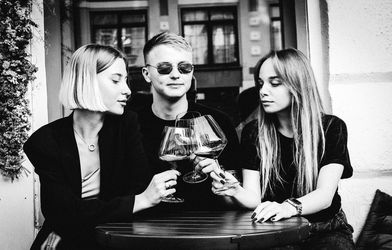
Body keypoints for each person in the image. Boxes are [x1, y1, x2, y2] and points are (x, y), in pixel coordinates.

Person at [24, 44, 179, 249]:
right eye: (116, 80)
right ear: (86, 81)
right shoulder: (45, 141)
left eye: (125, 80)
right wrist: (138, 201)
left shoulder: (126, 125)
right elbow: (60, 212)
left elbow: (141, 185)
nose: (127, 90)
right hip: (64, 241)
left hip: (112, 236)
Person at [211, 48, 355, 249]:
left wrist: (289, 207)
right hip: (274, 231)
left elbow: (324, 196)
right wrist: (235, 190)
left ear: (298, 85)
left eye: (275, 83)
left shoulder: (331, 128)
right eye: (261, 83)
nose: (262, 91)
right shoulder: (254, 132)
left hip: (326, 230)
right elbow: (254, 197)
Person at [128, 32, 241, 211]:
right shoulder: (130, 125)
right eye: (164, 68)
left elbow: (235, 196)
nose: (175, 75)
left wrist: (220, 177)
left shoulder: (219, 122)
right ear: (146, 74)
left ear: (192, 72)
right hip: (145, 231)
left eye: (184, 68)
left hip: (211, 230)